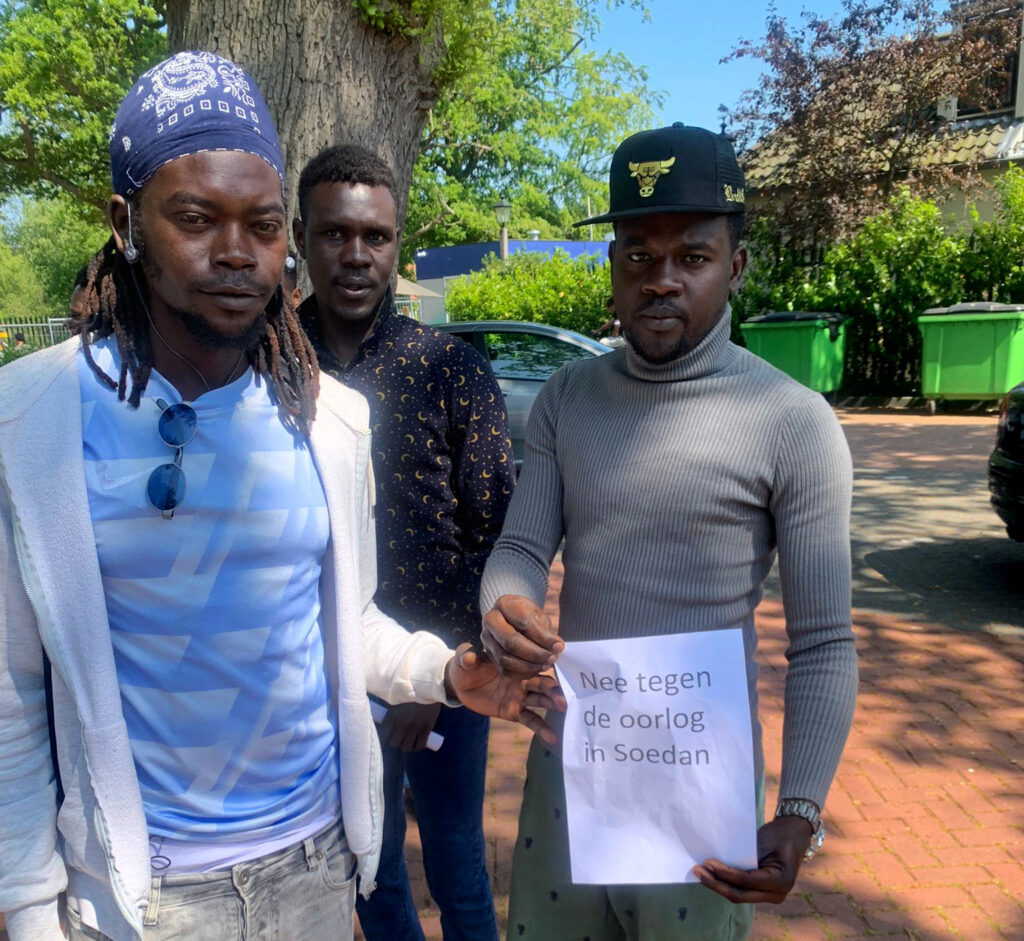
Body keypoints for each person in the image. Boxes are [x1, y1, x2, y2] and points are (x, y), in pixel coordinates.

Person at [0, 52, 560, 941]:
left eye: (260, 225)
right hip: (143, 899)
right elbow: (12, 696)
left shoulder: (328, 418)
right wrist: (29, 912)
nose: (235, 252)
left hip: (313, 874)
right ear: (125, 221)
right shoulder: (31, 422)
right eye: (195, 217)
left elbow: (345, 620)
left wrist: (447, 673)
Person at [478, 123, 857, 940]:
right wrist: (502, 606)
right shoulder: (568, 399)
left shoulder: (793, 422)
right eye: (638, 255)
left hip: (701, 786)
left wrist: (799, 810)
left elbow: (824, 641)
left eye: (692, 256)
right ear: (612, 265)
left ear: (736, 265)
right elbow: (519, 549)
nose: (661, 279)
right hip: (573, 761)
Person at [293, 144, 516, 941]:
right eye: (335, 233)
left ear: (397, 243)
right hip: (327, 675)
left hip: (450, 666)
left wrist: (437, 680)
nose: (356, 254)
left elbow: (495, 534)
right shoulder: (270, 365)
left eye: (376, 236)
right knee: (371, 868)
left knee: (456, 861)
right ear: (301, 237)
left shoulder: (451, 368)